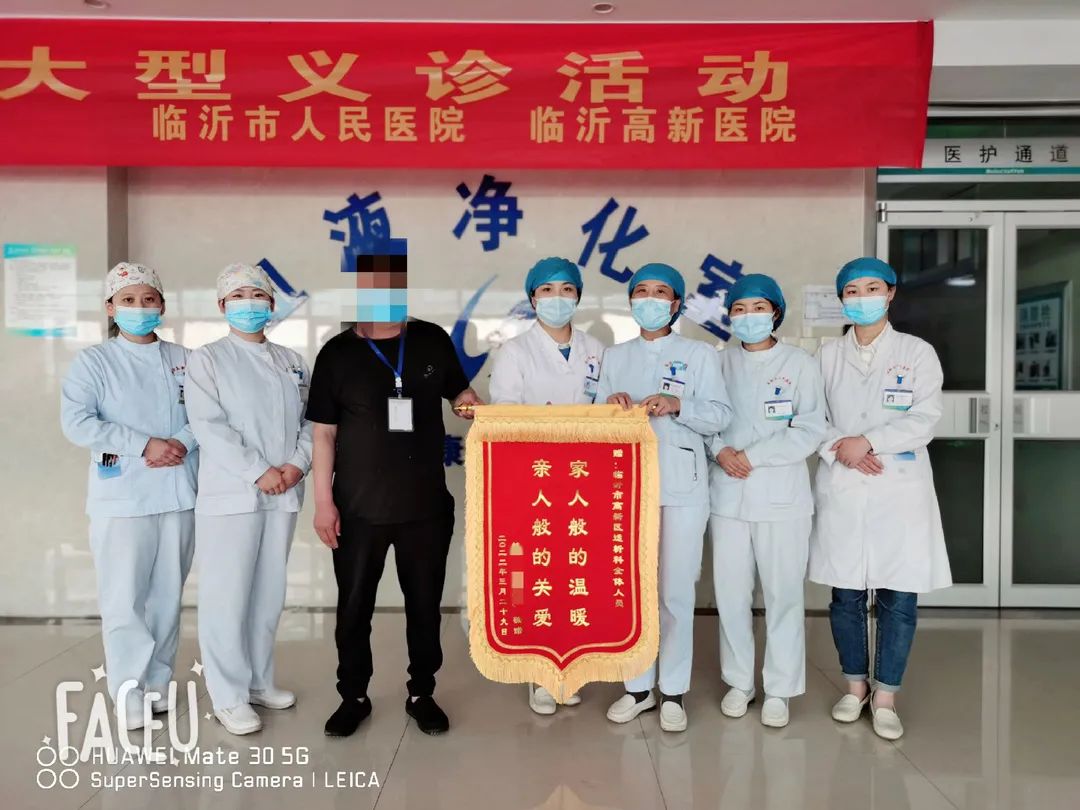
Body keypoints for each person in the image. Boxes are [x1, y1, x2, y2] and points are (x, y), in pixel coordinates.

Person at [306, 254, 483, 738]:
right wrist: (323, 503)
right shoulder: (336, 354)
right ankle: (353, 695)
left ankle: (422, 692)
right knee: (354, 607)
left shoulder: (431, 339)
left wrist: (470, 405)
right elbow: (323, 434)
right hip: (357, 508)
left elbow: (460, 393)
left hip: (425, 507)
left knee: (424, 606)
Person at [811, 256, 952, 741]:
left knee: (898, 594)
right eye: (852, 291)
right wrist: (842, 447)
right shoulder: (826, 355)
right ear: (842, 299)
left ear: (890, 293)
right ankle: (855, 688)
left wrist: (868, 442)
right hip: (845, 484)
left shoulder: (916, 352)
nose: (862, 298)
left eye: (872, 288)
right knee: (846, 595)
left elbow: (925, 417)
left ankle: (886, 695)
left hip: (898, 485)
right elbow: (810, 416)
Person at [60, 262, 198, 731]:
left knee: (167, 599)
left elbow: (207, 413)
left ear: (162, 305)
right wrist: (145, 445)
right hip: (122, 497)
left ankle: (157, 684)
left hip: (178, 492)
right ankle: (127, 691)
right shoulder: (94, 362)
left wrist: (181, 442)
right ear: (110, 308)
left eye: (148, 299)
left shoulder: (186, 359)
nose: (139, 308)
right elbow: (78, 422)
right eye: (128, 300)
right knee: (124, 600)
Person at [597, 262, 732, 733]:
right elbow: (593, 419)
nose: (650, 300)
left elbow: (720, 415)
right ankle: (638, 688)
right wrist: (609, 407)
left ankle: (673, 691)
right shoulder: (614, 356)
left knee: (675, 591)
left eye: (661, 293)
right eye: (642, 292)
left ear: (676, 304)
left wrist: (678, 405)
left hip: (682, 486)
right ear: (631, 302)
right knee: (633, 591)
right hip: (627, 488)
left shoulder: (699, 354)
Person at [185, 262, 313, 736]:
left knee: (268, 592)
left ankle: (260, 681)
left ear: (272, 304)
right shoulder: (208, 359)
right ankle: (228, 695)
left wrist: (296, 465)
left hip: (284, 490)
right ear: (222, 305)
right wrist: (258, 471)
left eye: (257, 295)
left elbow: (311, 422)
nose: (249, 304)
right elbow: (208, 425)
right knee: (227, 594)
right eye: (238, 296)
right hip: (232, 493)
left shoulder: (292, 361)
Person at [489, 256, 606, 715]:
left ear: (578, 296)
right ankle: (539, 673)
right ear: (533, 298)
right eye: (547, 290)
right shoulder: (515, 351)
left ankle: (570, 666)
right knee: (538, 574)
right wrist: (552, 425)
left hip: (583, 477)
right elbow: (506, 414)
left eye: (566, 289)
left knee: (576, 573)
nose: (558, 298)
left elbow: (606, 411)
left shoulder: (597, 349)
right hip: (534, 476)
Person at [707, 274, 826, 729]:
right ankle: (740, 682)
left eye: (758, 307)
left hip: (781, 498)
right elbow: (703, 419)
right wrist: (719, 450)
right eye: (739, 309)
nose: (748, 316)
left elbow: (810, 430)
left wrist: (752, 457)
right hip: (728, 495)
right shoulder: (717, 362)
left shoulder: (799, 364)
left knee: (783, 595)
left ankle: (780, 688)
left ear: (775, 312)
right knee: (730, 595)